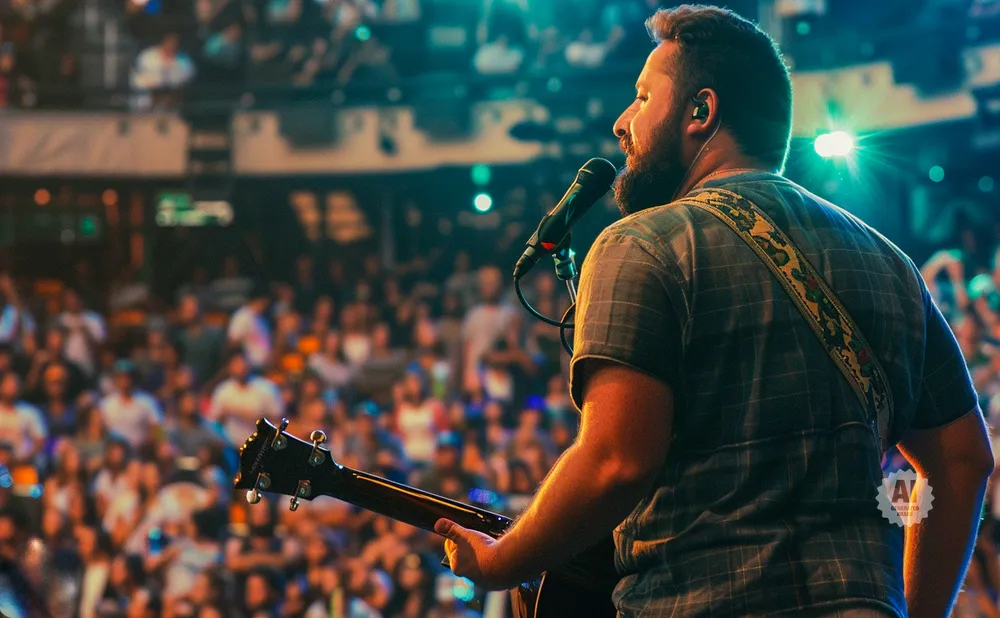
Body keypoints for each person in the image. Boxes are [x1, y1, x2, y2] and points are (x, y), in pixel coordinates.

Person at [434, 6, 995, 618]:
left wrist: (500, 561)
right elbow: (964, 460)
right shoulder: (890, 266)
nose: (622, 122)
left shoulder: (641, 244)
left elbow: (617, 461)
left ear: (699, 112)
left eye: (643, 98)